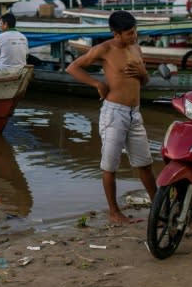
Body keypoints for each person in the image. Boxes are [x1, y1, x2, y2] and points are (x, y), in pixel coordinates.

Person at [66, 11, 156, 225]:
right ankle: (114, 212)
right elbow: (73, 67)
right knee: (110, 165)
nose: (133, 36)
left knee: (145, 163)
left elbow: (144, 82)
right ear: (116, 34)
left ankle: (158, 206)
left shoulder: (136, 48)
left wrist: (143, 74)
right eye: (128, 33)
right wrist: (97, 84)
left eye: (135, 31)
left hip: (135, 113)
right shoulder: (104, 49)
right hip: (114, 112)